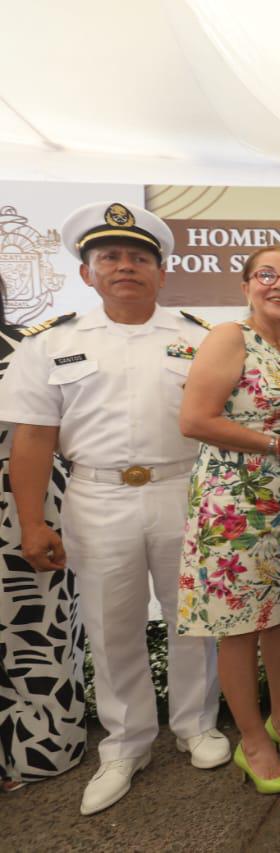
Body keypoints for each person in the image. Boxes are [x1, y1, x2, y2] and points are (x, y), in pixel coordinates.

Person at [0, 202, 226, 815]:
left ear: (161, 271)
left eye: (138, 258)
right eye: (110, 258)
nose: (125, 266)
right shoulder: (52, 344)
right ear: (87, 273)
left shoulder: (197, 338)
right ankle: (125, 743)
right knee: (110, 623)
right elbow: (33, 437)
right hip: (96, 495)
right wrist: (32, 520)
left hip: (183, 489)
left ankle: (196, 726)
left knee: (193, 619)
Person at [176, 248, 280, 794]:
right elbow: (195, 419)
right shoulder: (229, 336)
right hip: (234, 502)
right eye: (267, 275)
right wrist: (279, 444)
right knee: (239, 625)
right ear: (246, 285)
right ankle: (252, 741)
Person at [0, 274, 86, 793]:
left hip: (21, 505)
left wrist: (35, 521)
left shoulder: (30, 346)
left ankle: (38, 751)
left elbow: (40, 432)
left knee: (35, 629)